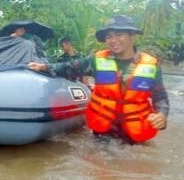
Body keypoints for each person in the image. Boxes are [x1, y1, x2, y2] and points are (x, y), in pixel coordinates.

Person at [28, 15, 169, 144]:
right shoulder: (96, 60)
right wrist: (44, 66)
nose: (113, 40)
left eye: (119, 34)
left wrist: (162, 115)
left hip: (135, 134)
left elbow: (160, 96)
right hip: (104, 133)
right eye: (108, 36)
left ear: (132, 35)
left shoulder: (151, 65)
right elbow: (69, 67)